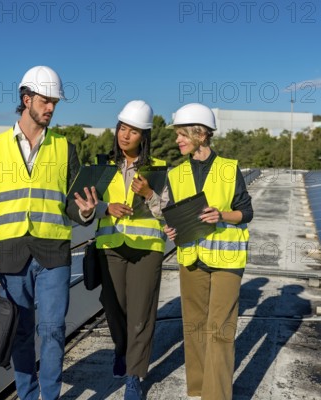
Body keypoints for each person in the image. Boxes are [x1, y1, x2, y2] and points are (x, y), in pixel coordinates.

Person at [0, 66, 97, 400]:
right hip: (10, 256)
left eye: (55, 102)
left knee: (54, 330)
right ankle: (28, 395)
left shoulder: (65, 148)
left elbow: (72, 203)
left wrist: (84, 212)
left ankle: (51, 396)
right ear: (26, 99)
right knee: (21, 333)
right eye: (45, 101)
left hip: (53, 253)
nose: (51, 108)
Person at [161, 103, 253, 400]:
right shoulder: (175, 174)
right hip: (191, 257)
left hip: (227, 258)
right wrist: (171, 230)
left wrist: (221, 215)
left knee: (220, 329)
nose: (178, 141)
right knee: (195, 327)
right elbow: (175, 215)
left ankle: (216, 396)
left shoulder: (229, 168)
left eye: (181, 135)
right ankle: (197, 391)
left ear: (200, 133)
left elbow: (246, 212)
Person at [93, 100, 167, 400]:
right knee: (115, 310)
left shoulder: (159, 169)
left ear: (144, 137)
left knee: (140, 314)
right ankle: (121, 350)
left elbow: (168, 211)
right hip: (110, 246)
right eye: (123, 128)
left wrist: (149, 194)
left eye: (133, 131)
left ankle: (135, 374)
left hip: (146, 250)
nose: (125, 135)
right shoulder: (102, 165)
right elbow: (84, 203)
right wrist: (104, 207)